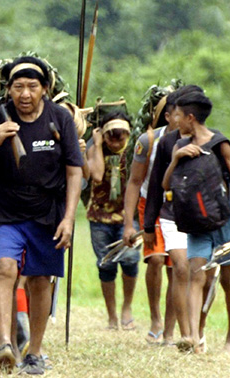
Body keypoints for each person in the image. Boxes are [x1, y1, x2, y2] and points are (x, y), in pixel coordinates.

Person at [0, 57, 83, 374]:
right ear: (8, 91)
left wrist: (69, 218)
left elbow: (75, 172)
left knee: (41, 280)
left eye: (32, 86)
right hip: (6, 211)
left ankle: (35, 350)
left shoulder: (59, 119)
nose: (25, 93)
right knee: (4, 268)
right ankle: (4, 342)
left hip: (48, 213)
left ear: (45, 89)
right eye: (18, 87)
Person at [161, 90, 230, 353]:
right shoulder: (179, 145)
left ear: (191, 118)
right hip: (195, 221)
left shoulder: (221, 144)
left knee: (227, 277)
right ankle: (192, 337)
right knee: (196, 275)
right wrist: (177, 159)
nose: (175, 120)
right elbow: (166, 184)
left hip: (226, 218)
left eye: (178, 115)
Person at [131, 85, 208, 349]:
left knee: (191, 273)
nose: (179, 118)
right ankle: (172, 329)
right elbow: (151, 186)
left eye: (184, 113)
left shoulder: (214, 141)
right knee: (171, 265)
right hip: (167, 211)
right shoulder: (159, 142)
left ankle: (188, 332)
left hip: (199, 214)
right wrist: (145, 223)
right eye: (174, 113)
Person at [120, 86, 180, 344]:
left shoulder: (197, 140)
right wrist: (127, 224)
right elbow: (134, 182)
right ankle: (155, 317)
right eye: (180, 113)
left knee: (177, 267)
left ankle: (169, 328)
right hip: (151, 205)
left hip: (180, 207)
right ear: (167, 116)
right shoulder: (147, 142)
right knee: (155, 260)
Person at [83, 112, 139, 331]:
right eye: (110, 136)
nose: (115, 141)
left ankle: (127, 308)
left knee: (130, 260)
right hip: (100, 217)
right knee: (106, 264)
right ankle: (111, 316)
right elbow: (96, 175)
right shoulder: (96, 149)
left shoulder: (134, 152)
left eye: (120, 136)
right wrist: (97, 145)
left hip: (128, 217)